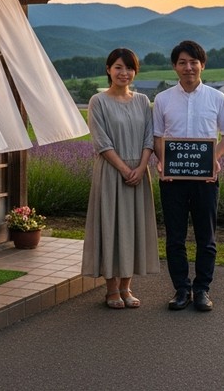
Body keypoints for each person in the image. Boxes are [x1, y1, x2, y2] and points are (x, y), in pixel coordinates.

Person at [153, 40, 224, 312]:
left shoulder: (217, 97)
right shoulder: (163, 99)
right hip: (173, 181)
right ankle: (181, 289)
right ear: (175, 66)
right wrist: (163, 162)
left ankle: (202, 290)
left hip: (206, 180)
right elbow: (157, 137)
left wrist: (214, 159)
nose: (188, 67)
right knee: (175, 238)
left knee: (206, 238)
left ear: (202, 64)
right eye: (182, 62)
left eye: (193, 62)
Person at [81, 48, 159, 309]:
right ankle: (111, 289)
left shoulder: (142, 101)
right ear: (108, 70)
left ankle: (127, 287)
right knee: (111, 228)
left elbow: (150, 137)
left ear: (135, 71)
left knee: (134, 228)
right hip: (112, 173)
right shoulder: (97, 101)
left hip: (139, 173)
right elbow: (101, 142)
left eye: (129, 68)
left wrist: (141, 166)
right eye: (118, 67)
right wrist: (125, 170)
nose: (123, 73)